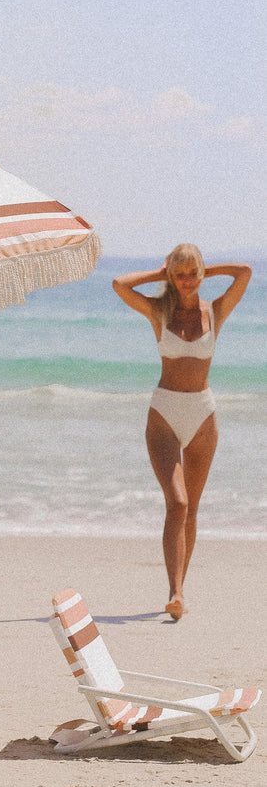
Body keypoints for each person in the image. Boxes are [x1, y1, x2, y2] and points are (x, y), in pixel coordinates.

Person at [112, 245, 251, 620]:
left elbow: (244, 272)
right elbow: (119, 284)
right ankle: (173, 592)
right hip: (165, 414)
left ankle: (180, 593)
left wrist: (202, 267)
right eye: (180, 274)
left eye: (193, 273)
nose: (187, 280)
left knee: (193, 509)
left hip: (203, 415)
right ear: (171, 277)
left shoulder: (215, 311)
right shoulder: (159, 311)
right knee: (178, 502)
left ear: (201, 274)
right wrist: (160, 273)